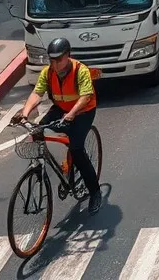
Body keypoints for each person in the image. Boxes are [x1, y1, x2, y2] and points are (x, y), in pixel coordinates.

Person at [13, 37, 102, 214]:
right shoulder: (48, 72)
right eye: (51, 60)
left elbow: (85, 97)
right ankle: (43, 164)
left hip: (83, 112)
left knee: (77, 150)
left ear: (67, 56)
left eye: (58, 59)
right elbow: (37, 93)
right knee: (37, 129)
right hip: (61, 109)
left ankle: (95, 193)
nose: (55, 64)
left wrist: (71, 114)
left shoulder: (80, 71)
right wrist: (25, 113)